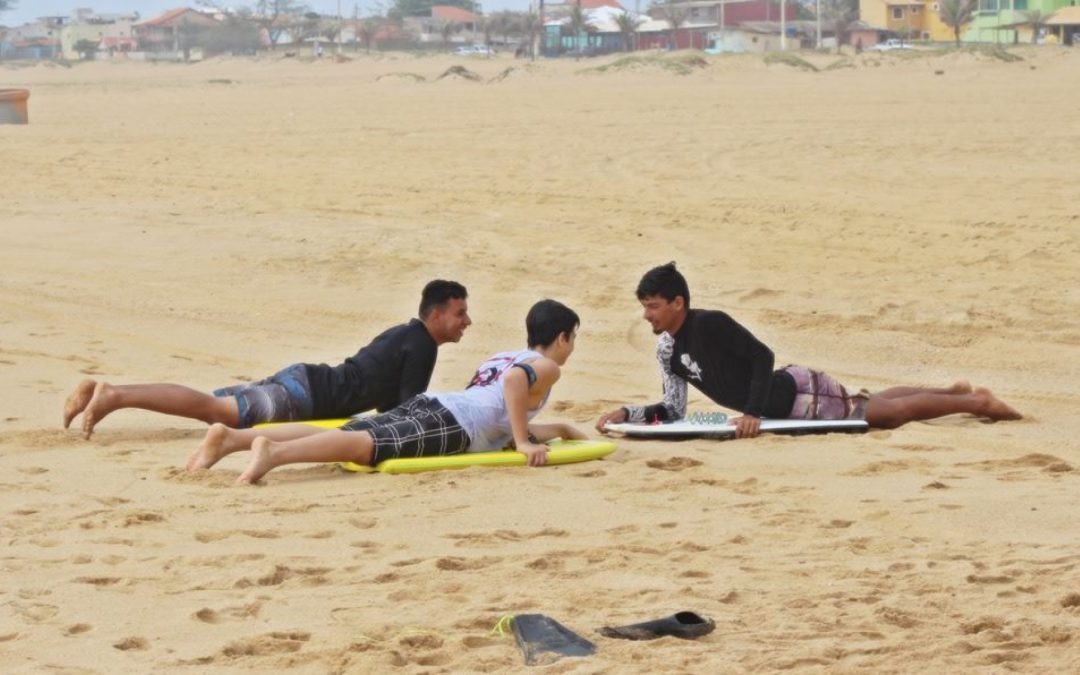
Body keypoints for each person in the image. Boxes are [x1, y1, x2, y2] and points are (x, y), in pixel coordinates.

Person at [596, 263, 1022, 439]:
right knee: (865, 404)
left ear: (677, 304)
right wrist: (628, 414)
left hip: (797, 395)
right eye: (644, 307)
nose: (647, 316)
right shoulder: (668, 350)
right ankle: (953, 390)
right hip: (782, 406)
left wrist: (753, 413)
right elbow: (672, 410)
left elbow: (762, 357)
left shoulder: (710, 323)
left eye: (652, 306)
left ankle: (976, 401)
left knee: (885, 416)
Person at [186, 299, 585, 484]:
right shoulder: (546, 366)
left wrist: (559, 429)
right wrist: (521, 441)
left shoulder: (504, 355)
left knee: (351, 433)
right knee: (365, 446)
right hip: (455, 424)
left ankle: (235, 439)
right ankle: (275, 454)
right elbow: (515, 387)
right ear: (563, 337)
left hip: (441, 405)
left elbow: (500, 404)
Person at [64, 280, 471, 439]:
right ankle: (114, 395)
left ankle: (109, 391)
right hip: (307, 397)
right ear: (435, 314)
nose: (466, 321)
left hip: (305, 380)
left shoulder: (403, 333)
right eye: (459, 313)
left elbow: (387, 400)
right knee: (211, 410)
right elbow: (403, 413)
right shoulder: (421, 344)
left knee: (211, 407)